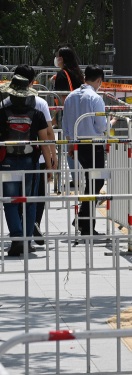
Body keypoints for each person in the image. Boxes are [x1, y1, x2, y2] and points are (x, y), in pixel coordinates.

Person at [0, 75, 53, 256]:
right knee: (30, 202)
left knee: (10, 202)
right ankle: (27, 240)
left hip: (7, 162)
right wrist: (50, 165)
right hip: (31, 163)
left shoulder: (2, 112)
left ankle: (17, 238)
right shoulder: (36, 114)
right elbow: (44, 142)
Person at [62, 65, 117, 237]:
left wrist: (70, 143)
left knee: (91, 181)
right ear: (99, 80)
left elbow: (65, 124)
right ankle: (84, 220)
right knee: (96, 182)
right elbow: (101, 125)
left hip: (77, 144)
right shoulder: (95, 98)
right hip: (93, 144)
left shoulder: (70, 96)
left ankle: (84, 220)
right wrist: (112, 123)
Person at [53, 45, 84, 187]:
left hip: (68, 114)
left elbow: (64, 99)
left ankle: (76, 180)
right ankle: (79, 178)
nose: (56, 59)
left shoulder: (62, 75)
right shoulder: (77, 73)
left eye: (57, 56)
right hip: (81, 112)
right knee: (78, 146)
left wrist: (57, 117)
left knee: (69, 147)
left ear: (62, 59)